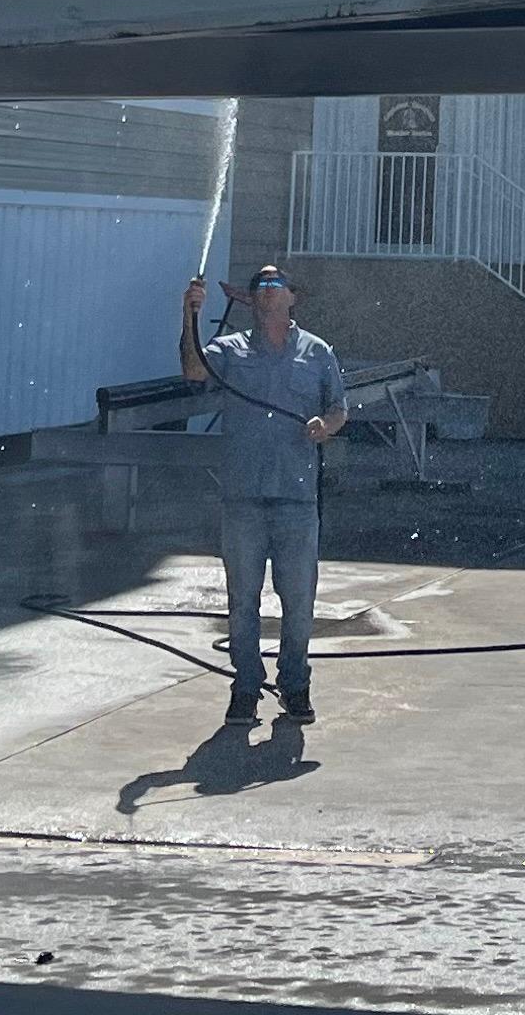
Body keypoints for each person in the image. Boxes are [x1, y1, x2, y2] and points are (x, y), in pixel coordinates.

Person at [179, 263, 348, 727]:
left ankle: (295, 685)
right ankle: (245, 689)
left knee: (298, 600)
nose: (269, 292)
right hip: (243, 497)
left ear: (293, 297)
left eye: (277, 286)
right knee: (243, 600)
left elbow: (339, 407)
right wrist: (190, 315)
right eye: (261, 287)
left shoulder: (317, 353)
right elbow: (195, 370)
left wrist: (326, 426)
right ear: (251, 300)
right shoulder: (231, 350)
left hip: (296, 499)